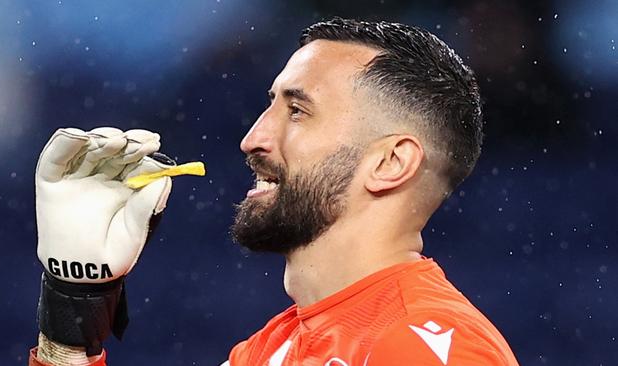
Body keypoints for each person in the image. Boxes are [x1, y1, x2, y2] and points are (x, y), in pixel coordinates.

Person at [29, 17, 519, 366]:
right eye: (271, 106)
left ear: (391, 163)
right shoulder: (268, 350)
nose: (253, 138)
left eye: (298, 111)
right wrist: (73, 314)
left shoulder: (429, 347)